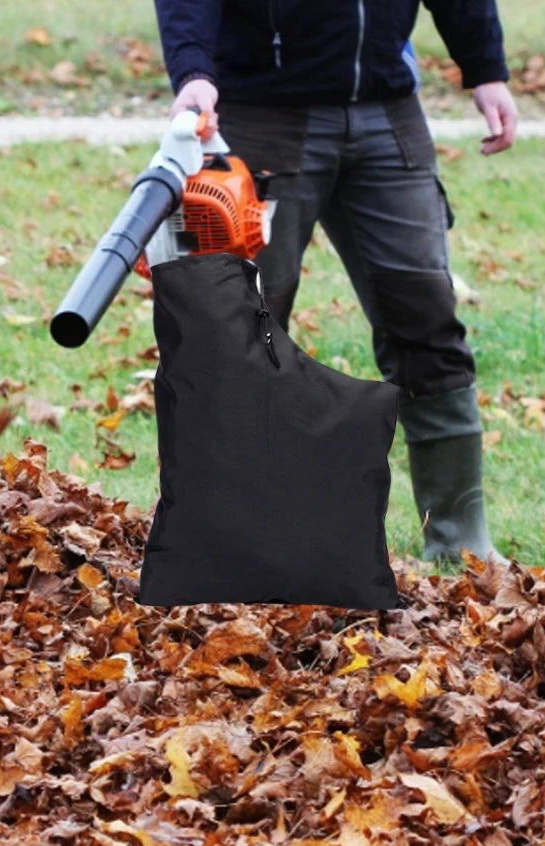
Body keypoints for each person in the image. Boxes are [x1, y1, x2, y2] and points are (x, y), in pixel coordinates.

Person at [153, 0, 518, 565]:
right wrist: (193, 73)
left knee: (427, 320)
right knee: (242, 334)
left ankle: (459, 542)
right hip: (263, 115)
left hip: (387, 114)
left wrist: (485, 67)